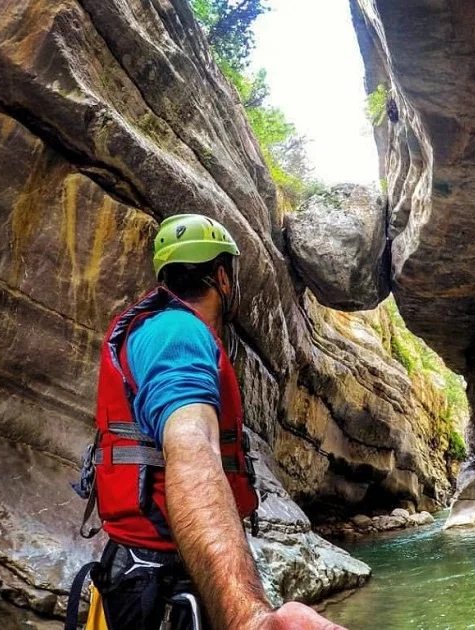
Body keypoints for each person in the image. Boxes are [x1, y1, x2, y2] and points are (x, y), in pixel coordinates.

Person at [75, 214, 344, 629]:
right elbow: (193, 453)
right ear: (222, 276)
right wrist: (249, 620)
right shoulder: (178, 334)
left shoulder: (161, 328)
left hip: (144, 575)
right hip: (161, 589)